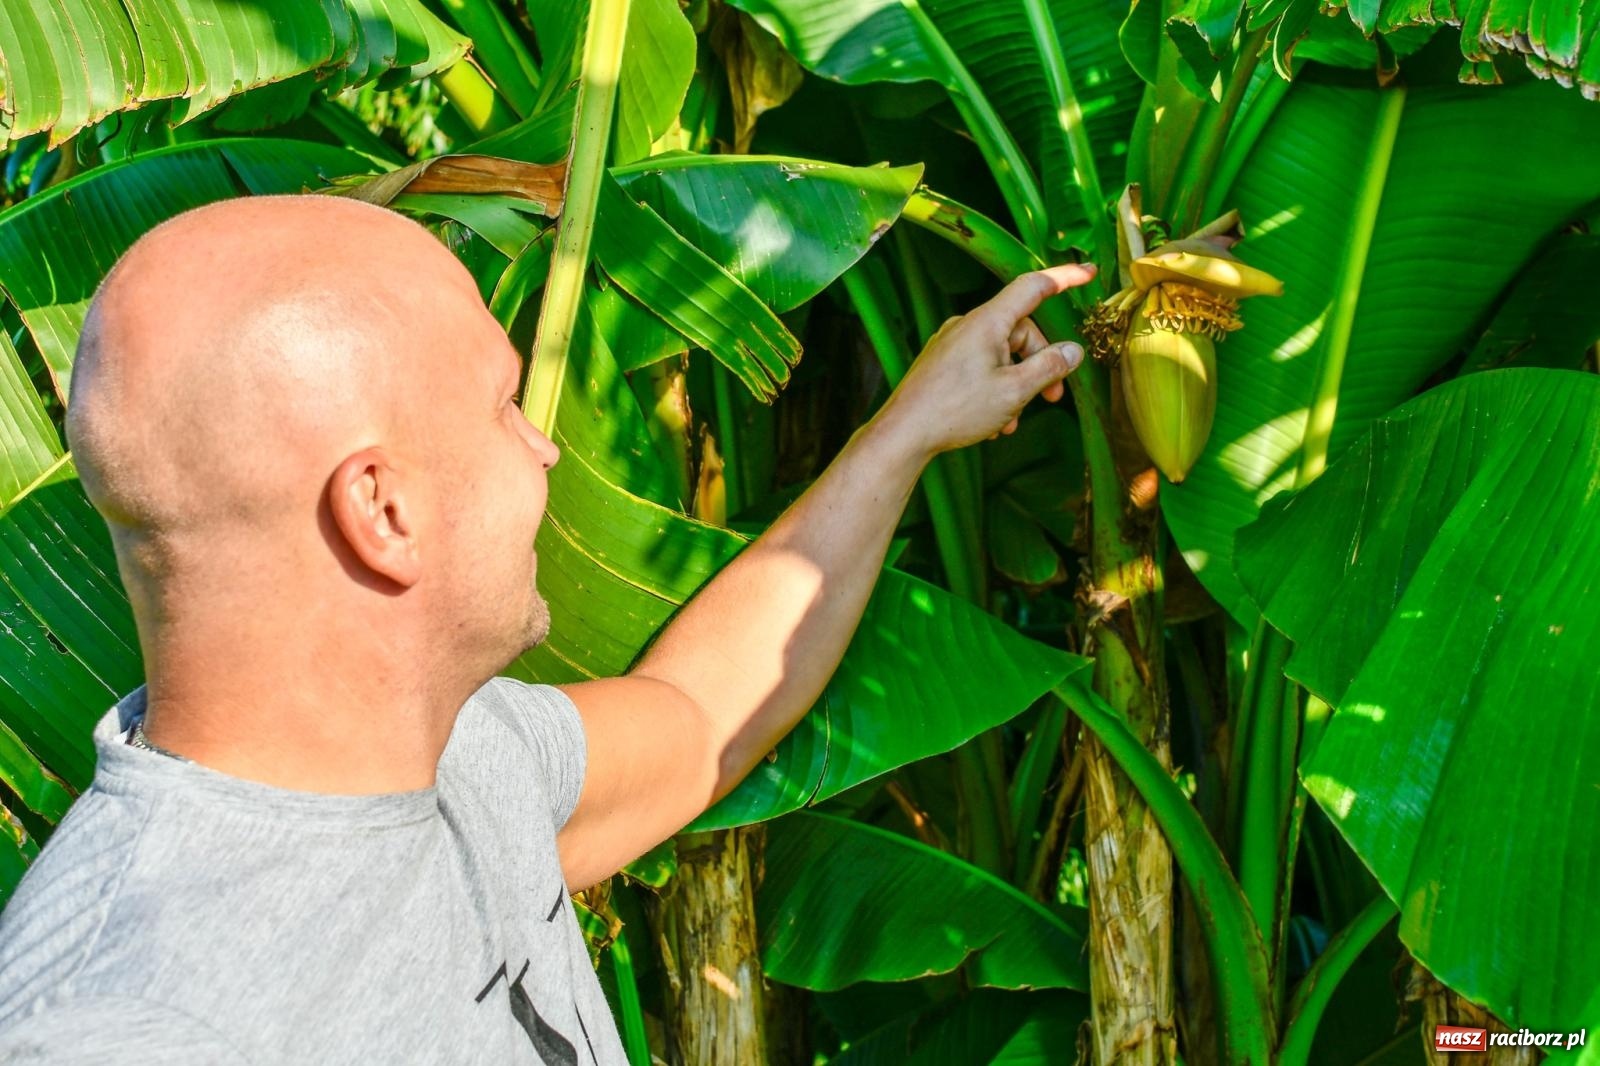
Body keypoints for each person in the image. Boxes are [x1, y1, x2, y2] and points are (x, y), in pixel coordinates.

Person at [0, 195, 1092, 1063]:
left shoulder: (456, 761)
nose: (543, 449)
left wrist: (903, 434)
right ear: (383, 512)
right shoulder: (132, 1022)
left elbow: (700, 707)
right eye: (501, 408)